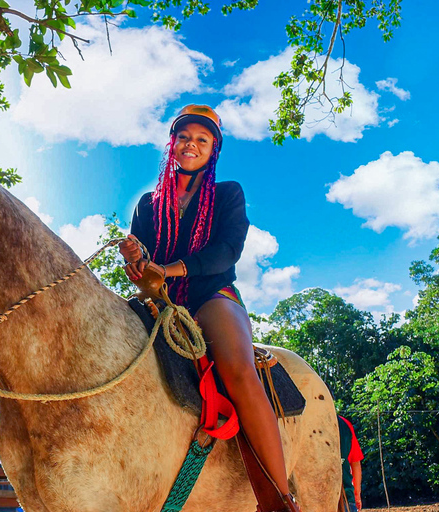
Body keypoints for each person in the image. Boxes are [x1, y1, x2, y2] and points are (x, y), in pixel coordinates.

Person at [119, 105, 299, 512]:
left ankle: (279, 501)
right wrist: (135, 257)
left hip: (213, 294)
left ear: (213, 150)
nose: (191, 145)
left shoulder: (227, 193)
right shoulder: (148, 204)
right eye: (184, 138)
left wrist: (170, 269)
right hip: (162, 300)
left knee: (237, 368)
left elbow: (227, 251)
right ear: (172, 144)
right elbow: (143, 262)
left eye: (202, 140)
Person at [338, 415, 364, 511]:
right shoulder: (345, 424)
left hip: (313, 498)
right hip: (346, 497)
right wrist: (356, 495)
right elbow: (355, 463)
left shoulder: (306, 421)